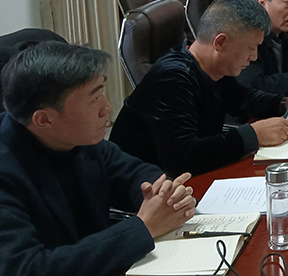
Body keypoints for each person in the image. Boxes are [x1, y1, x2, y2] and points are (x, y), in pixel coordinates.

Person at [0, 42, 196, 276]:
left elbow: (135, 173)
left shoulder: (78, 139)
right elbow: (24, 268)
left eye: (101, 90)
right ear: (44, 119)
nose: (107, 108)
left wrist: (165, 195)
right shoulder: (7, 170)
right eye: (93, 100)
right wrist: (143, 228)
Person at [111, 0, 288, 176]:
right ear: (220, 43)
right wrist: (253, 135)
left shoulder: (211, 66)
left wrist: (283, 103)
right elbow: (182, 158)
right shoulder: (172, 78)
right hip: (147, 185)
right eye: (250, 48)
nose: (254, 57)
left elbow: (241, 99)